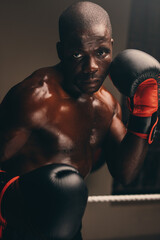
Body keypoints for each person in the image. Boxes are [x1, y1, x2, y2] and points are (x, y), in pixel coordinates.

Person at [0, 1, 159, 240]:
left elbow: (125, 173)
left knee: (69, 189)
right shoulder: (33, 100)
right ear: (61, 51)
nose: (92, 67)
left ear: (111, 47)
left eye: (101, 52)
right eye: (77, 54)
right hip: (18, 229)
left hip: (68, 229)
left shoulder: (107, 105)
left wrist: (145, 112)